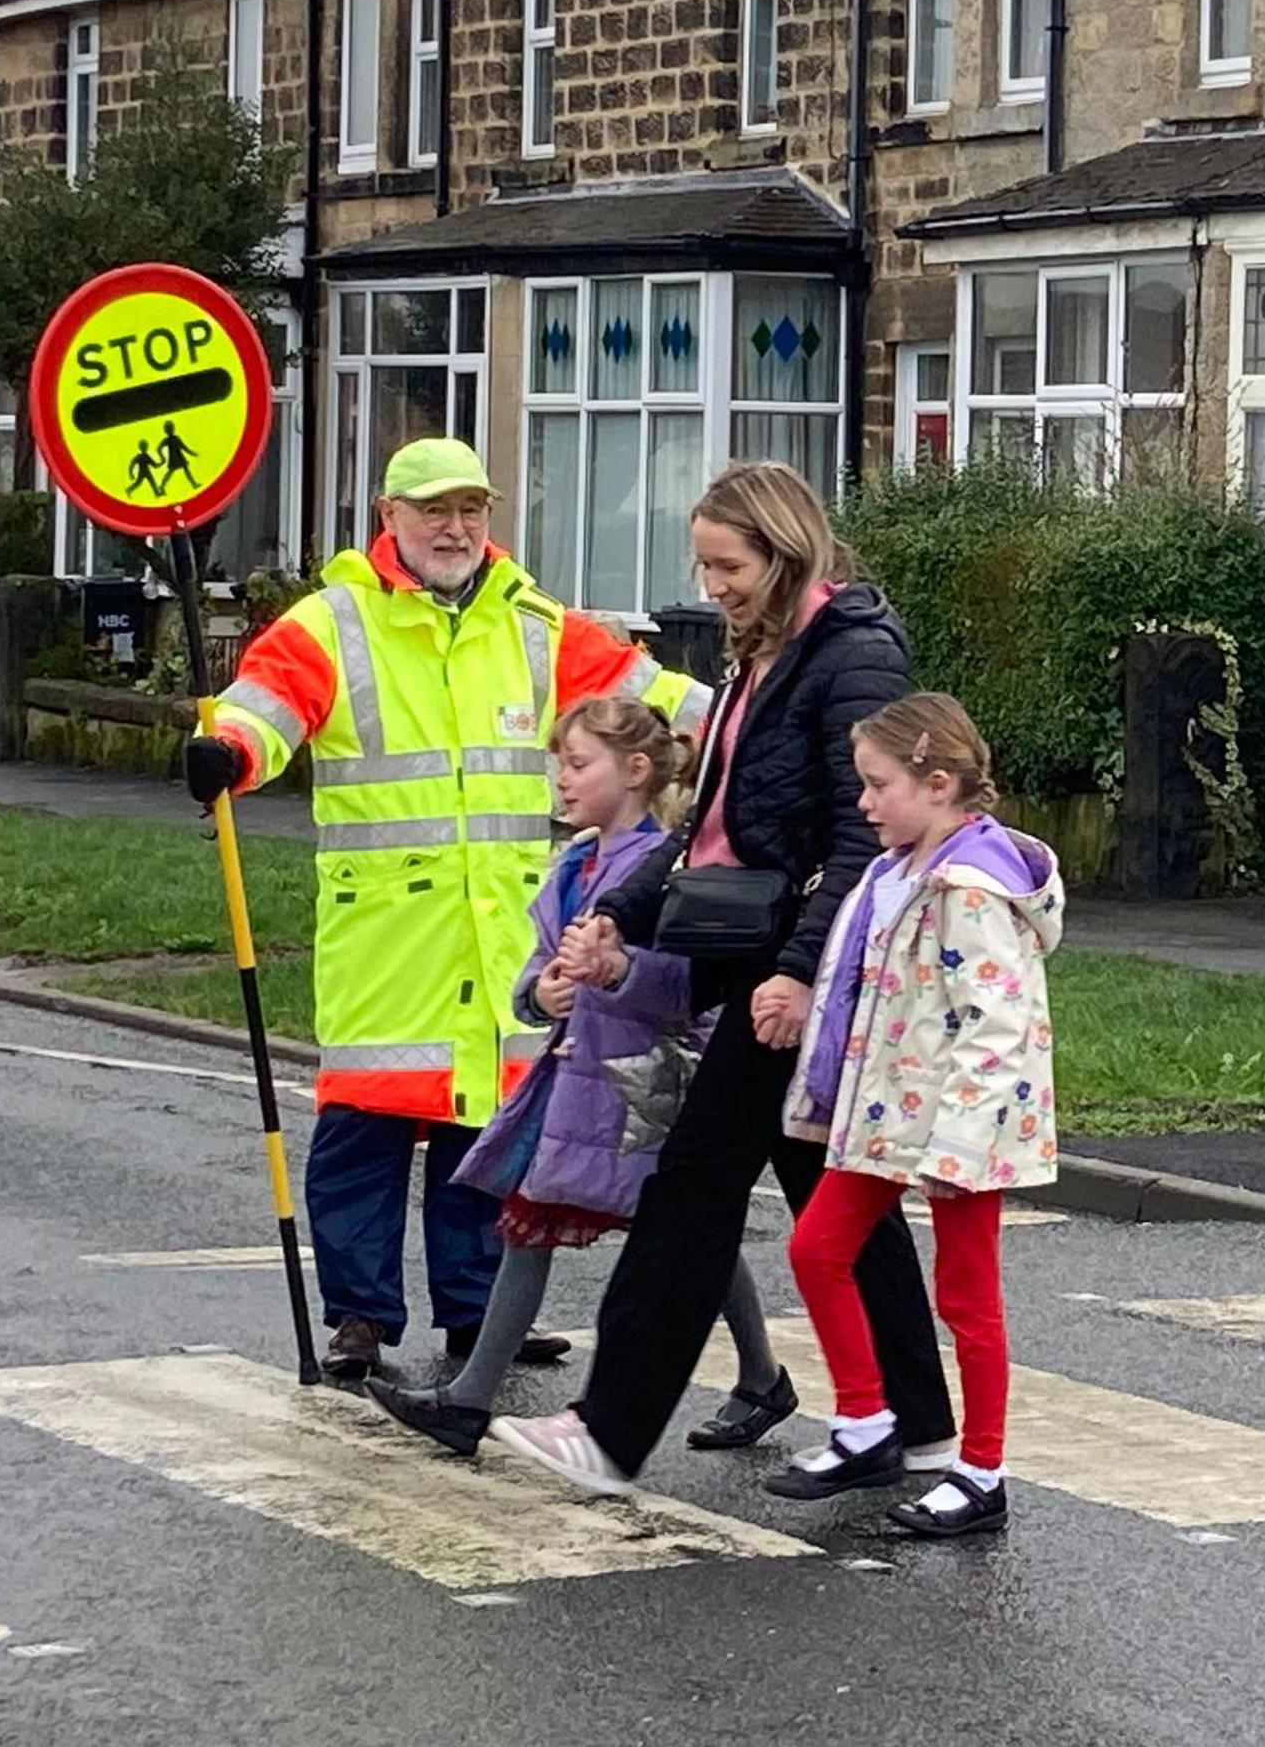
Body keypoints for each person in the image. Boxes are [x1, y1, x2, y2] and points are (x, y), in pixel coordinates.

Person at [186, 438, 711, 1387]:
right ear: (390, 517)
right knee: (365, 1131)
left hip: (511, 931)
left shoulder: (538, 623)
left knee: (492, 1130)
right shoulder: (335, 622)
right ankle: (359, 1318)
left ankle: (478, 1316)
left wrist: (756, 723)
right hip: (389, 937)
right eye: (435, 510)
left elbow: (654, 699)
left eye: (472, 510)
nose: (457, 528)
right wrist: (227, 750)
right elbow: (264, 707)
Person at [489, 462, 954, 1497]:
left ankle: (610, 1431)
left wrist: (797, 976)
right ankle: (918, 1432)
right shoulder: (764, 654)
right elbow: (709, 828)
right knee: (842, 1205)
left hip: (796, 974)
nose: (713, 587)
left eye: (728, 565)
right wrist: (618, 917)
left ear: (785, 553)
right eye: (703, 565)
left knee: (693, 1186)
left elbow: (859, 839)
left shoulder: (854, 658)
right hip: (757, 963)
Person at [368, 696, 794, 1455]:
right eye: (558, 764)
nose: (560, 780)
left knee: (689, 1231)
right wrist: (541, 994)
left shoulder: (666, 872)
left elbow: (683, 993)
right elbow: (534, 973)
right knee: (535, 1225)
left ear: (634, 772)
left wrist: (615, 971)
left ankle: (761, 1377)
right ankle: (468, 1402)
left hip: (642, 1087)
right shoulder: (572, 864)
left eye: (577, 764)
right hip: (575, 1082)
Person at [773, 693, 1058, 1538]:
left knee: (968, 1296)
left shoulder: (968, 888)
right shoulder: (891, 874)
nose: (864, 804)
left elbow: (997, 1025)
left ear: (938, 785)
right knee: (816, 1247)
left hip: (956, 1127)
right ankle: (865, 1422)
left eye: (877, 785)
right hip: (889, 1111)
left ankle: (982, 1472)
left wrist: (960, 1142)